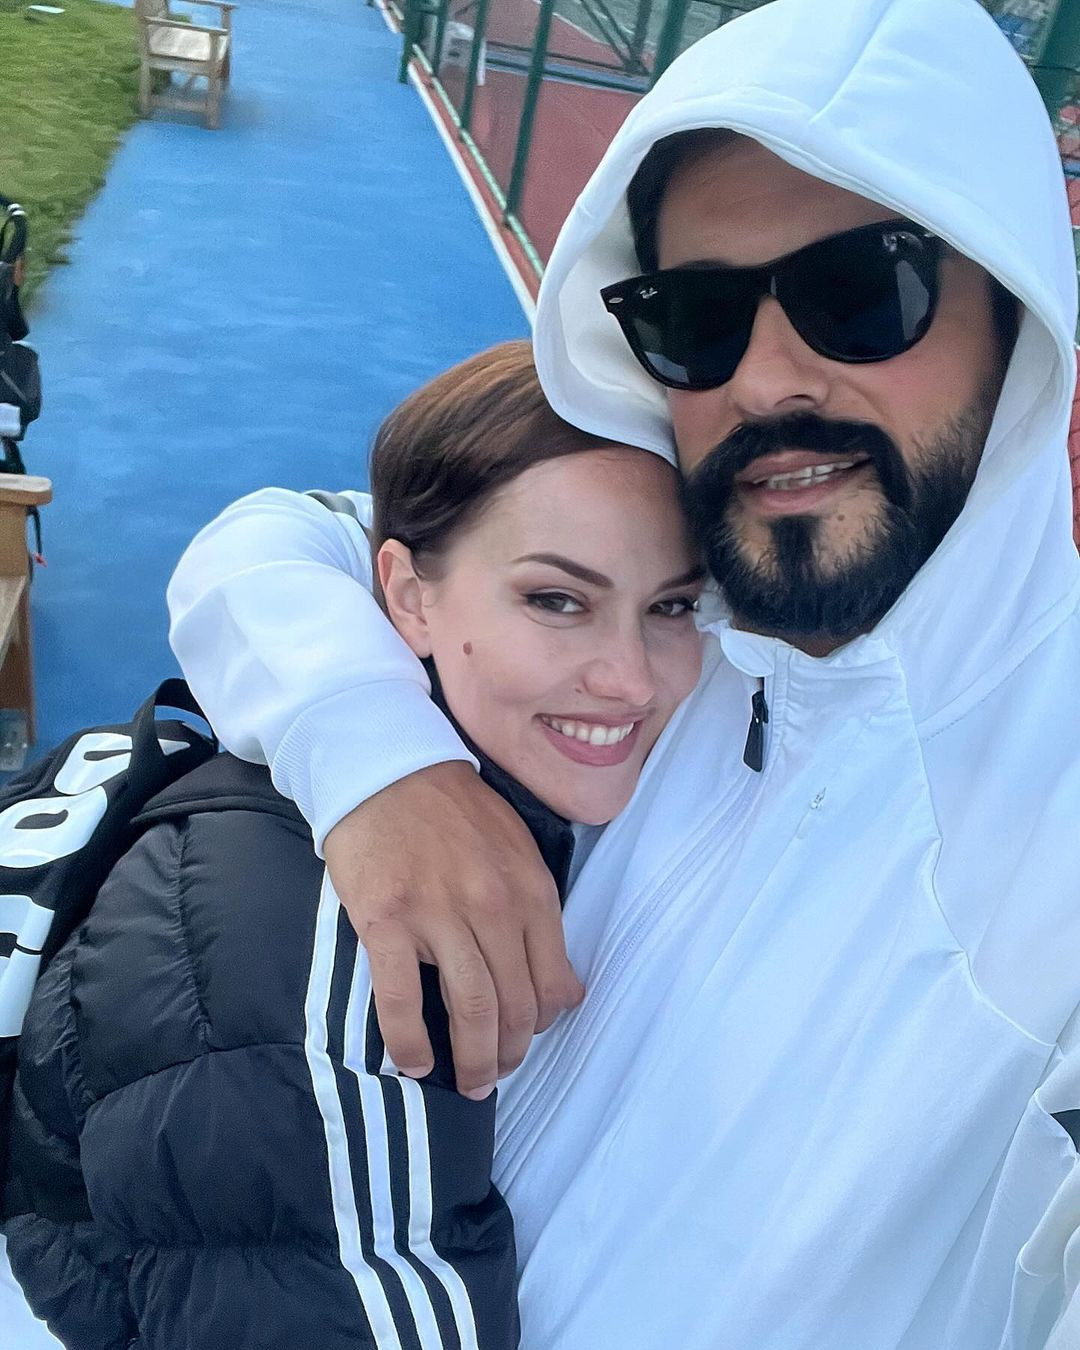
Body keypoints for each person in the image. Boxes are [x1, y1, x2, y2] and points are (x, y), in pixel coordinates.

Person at [165, 0, 1080, 1345]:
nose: (766, 382)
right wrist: (381, 769)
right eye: (695, 316)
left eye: (861, 293)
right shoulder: (690, 614)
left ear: (1016, 311)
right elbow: (280, 538)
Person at [1, 342, 705, 1348]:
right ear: (406, 597)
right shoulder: (352, 975)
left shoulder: (448, 728)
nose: (631, 679)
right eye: (557, 600)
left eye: (673, 606)